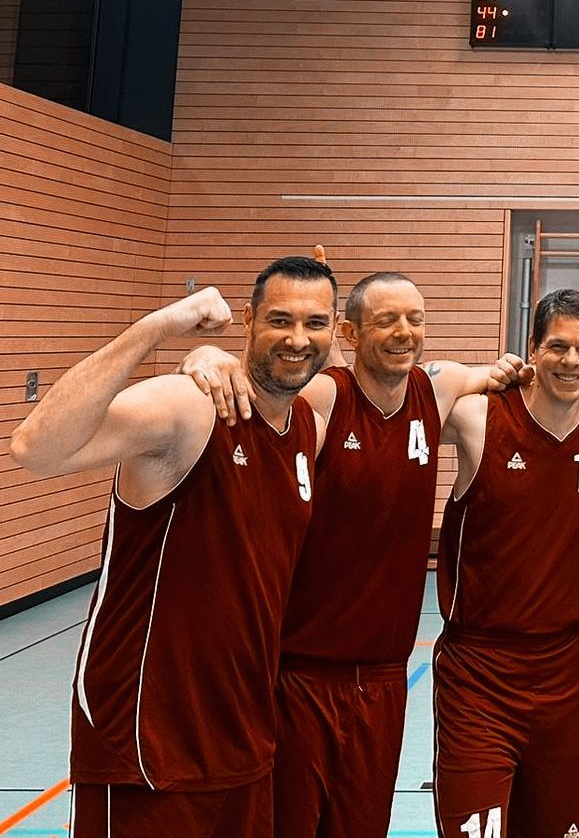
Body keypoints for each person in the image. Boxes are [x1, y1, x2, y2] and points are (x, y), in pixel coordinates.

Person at [181, 267, 579, 838]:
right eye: (386, 320)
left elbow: (558, 380)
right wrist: (206, 355)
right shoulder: (401, 405)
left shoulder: (468, 397)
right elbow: (270, 391)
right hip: (354, 668)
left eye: (414, 319)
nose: (403, 331)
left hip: (452, 670)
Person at [9, 256, 337, 837]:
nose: (297, 339)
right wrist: (157, 328)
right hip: (149, 744)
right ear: (248, 320)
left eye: (315, 323)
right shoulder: (190, 407)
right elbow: (35, 448)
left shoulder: (306, 427)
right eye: (279, 320)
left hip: (243, 741)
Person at [431, 288, 579, 838]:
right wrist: (473, 373)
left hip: (568, 667)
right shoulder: (479, 418)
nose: (571, 361)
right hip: (479, 670)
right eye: (557, 346)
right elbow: (392, 398)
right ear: (532, 349)